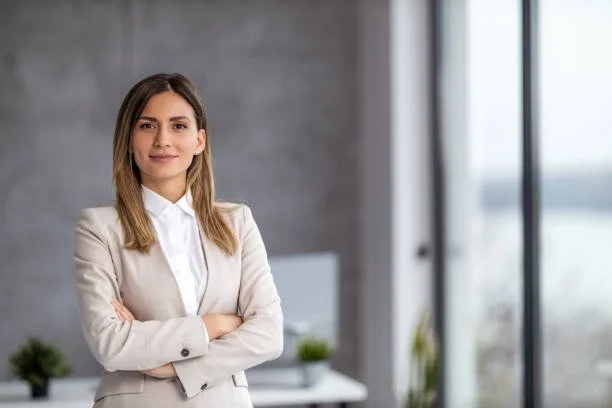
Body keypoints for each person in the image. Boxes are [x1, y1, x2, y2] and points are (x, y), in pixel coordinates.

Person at [73, 73, 283, 407]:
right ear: (128, 139)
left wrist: (170, 365)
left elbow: (269, 334)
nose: (163, 140)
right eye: (147, 125)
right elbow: (110, 343)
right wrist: (213, 325)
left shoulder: (237, 221)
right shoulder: (99, 227)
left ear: (200, 140)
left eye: (179, 126)